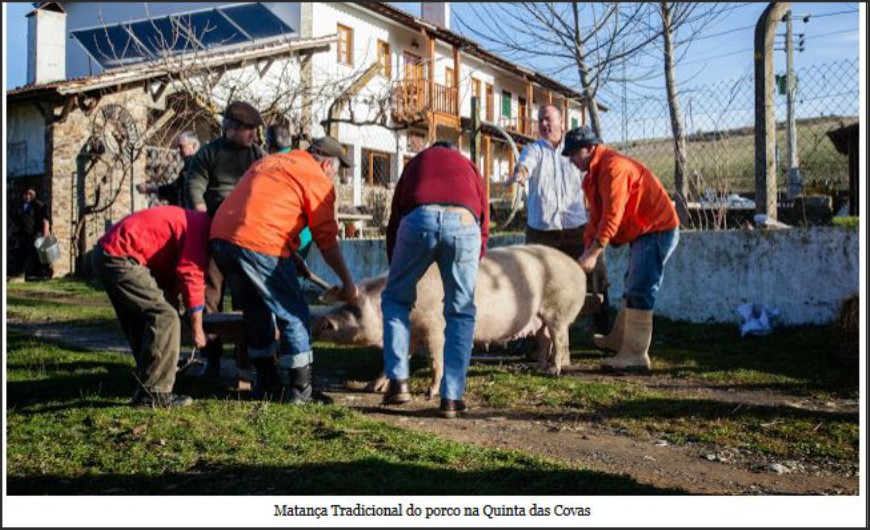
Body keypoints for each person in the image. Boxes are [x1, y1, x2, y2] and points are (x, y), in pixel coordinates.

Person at [210, 136, 359, 403]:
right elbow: (326, 239)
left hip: (223, 239)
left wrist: (290, 255)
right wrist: (348, 282)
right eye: (337, 171)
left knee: (256, 310)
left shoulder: (273, 161)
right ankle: (301, 391)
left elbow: (265, 207)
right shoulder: (316, 178)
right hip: (259, 241)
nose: (335, 178)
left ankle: (267, 384)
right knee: (293, 313)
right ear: (326, 165)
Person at [381, 142, 489, 419]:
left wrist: (395, 264)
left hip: (419, 220)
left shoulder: (417, 162)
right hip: (465, 223)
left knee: (395, 299)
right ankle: (452, 397)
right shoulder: (469, 165)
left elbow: (396, 216)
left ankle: (398, 382)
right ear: (454, 150)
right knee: (461, 311)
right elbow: (484, 219)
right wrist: (474, 258)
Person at [562, 126, 680, 373]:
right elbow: (596, 218)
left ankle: (636, 355)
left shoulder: (613, 168)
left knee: (641, 286)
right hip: (644, 231)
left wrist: (594, 253)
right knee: (633, 282)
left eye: (573, 153)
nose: (571, 160)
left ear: (589, 148)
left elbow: (612, 216)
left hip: (657, 229)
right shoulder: (593, 177)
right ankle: (621, 339)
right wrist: (588, 249)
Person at [92, 206, 211, 408]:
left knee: (141, 318)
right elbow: (192, 275)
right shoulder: (201, 229)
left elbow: (166, 279)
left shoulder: (192, 221)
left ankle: (150, 378)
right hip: (121, 256)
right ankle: (154, 394)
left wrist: (178, 306)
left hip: (106, 252)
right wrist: (197, 328)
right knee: (166, 317)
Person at [507, 105, 610, 333]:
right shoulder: (533, 149)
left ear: (561, 122)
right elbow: (524, 166)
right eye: (540, 120)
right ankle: (536, 342)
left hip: (576, 228)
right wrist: (519, 175)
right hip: (542, 231)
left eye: (548, 119)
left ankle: (604, 332)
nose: (544, 124)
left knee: (597, 276)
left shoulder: (575, 149)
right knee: (535, 284)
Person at [184, 101, 266, 378]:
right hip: (214, 231)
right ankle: (212, 359)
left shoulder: (258, 155)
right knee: (211, 295)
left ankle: (246, 360)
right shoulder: (209, 153)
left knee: (248, 297)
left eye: (255, 130)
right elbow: (195, 183)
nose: (253, 135)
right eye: (248, 130)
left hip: (247, 234)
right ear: (230, 129)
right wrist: (201, 213)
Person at [266, 124, 313, 259]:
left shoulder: (265, 167)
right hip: (305, 236)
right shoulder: (302, 163)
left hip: (281, 241)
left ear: (269, 145)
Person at [136, 131, 200, 206]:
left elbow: (176, 188)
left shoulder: (194, 164)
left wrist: (151, 189)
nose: (179, 150)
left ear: (193, 146)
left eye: (181, 146)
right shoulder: (194, 163)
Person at [12, 188, 52, 279]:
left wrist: (45, 235)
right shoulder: (20, 206)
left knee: (39, 255)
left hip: (36, 235)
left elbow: (45, 220)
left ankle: (43, 274)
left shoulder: (39, 205)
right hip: (24, 235)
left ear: (34, 195)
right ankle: (25, 274)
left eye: (30, 194)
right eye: (26, 194)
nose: (27, 196)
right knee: (24, 255)